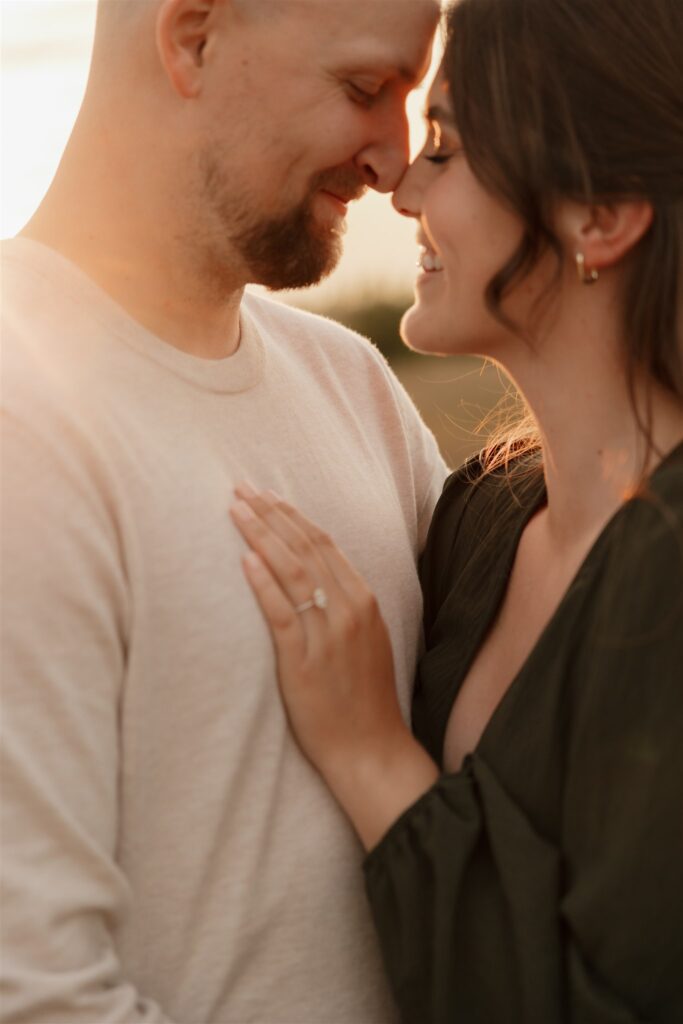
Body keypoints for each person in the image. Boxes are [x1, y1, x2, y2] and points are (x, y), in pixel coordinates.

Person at [230, 0, 683, 1020]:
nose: (397, 183)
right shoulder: (481, 512)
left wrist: (370, 752)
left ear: (599, 216)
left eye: (446, 143)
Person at [0, 0, 447, 1020]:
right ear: (191, 40)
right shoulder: (16, 411)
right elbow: (32, 993)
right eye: (362, 89)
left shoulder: (354, 387)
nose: (393, 160)